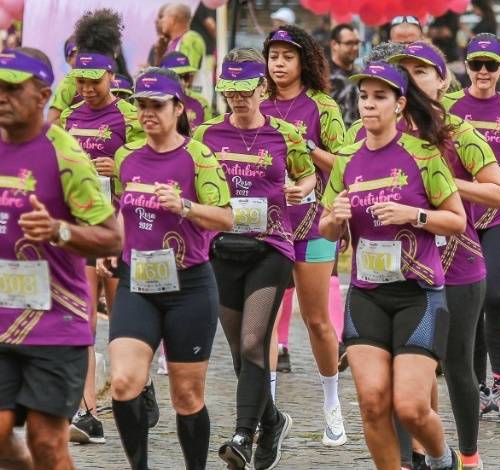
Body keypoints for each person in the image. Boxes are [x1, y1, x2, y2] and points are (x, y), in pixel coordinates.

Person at [0, 46, 121, 470]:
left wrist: (59, 230)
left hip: (57, 320)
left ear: (42, 95)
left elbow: (113, 237)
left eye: (12, 89)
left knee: (47, 441)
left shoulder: (65, 155)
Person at [320, 60, 467, 470]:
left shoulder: (422, 155)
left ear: (400, 105)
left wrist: (412, 215)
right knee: (371, 403)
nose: (368, 105)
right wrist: (335, 218)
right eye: (364, 97)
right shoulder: (347, 159)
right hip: (367, 294)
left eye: (380, 97)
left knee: (410, 408)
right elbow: (326, 229)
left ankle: (442, 460)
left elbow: (456, 220)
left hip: (418, 295)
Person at [389, 40, 500, 470]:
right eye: (404, 70)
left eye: (422, 70)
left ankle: (470, 457)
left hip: (458, 263)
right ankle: (409, 460)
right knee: (400, 366)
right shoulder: (379, 134)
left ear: (443, 82)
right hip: (398, 265)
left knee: (457, 363)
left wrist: (445, 185)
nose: (413, 77)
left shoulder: (461, 134)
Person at [103, 67, 232, 470]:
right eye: (141, 105)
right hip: (136, 283)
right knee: (124, 383)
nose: (147, 114)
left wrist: (186, 207)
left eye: (156, 105)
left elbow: (227, 218)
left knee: (187, 396)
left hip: (189, 287)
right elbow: (125, 210)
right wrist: (114, 242)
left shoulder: (198, 156)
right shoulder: (126, 157)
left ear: (178, 107)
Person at [193, 48, 316, 470]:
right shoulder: (206, 135)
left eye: (245, 91)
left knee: (252, 342)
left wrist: (302, 188)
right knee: (239, 350)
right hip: (224, 248)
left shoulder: (285, 133)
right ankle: (273, 420)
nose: (238, 100)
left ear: (262, 88)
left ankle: (243, 436)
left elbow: (307, 172)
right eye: (230, 92)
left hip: (271, 247)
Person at [60, 8, 148, 445]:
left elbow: (153, 167)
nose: (87, 89)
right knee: (81, 322)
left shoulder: (131, 118)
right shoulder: (69, 119)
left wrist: (117, 164)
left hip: (124, 230)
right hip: (81, 232)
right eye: (80, 81)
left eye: (94, 81)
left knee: (124, 321)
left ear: (111, 77)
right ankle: (85, 411)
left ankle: (138, 386)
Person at [260, 26, 348, 448]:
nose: (278, 63)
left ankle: (332, 403)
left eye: (287, 56)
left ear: (303, 61)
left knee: (316, 320)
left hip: (314, 226)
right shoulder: (255, 103)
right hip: (266, 228)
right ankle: (268, 411)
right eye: (273, 55)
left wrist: (306, 146)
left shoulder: (322, 106)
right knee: (263, 322)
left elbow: (345, 165)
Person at [442, 33, 500, 420]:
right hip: (460, 215)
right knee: (471, 301)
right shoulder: (448, 106)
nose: (482, 72)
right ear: (465, 66)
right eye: (476, 64)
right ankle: (477, 386)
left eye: (490, 65)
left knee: (494, 294)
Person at [159, 51, 211, 131]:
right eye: (177, 77)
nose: (183, 82)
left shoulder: (202, 102)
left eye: (186, 76)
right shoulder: (149, 102)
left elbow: (209, 135)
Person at [329, 23, 361, 127]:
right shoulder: (322, 75)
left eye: (357, 43)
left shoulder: (362, 75)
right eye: (349, 43)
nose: (355, 47)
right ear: (334, 44)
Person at [160, 3, 206, 71]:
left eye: (163, 16)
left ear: (172, 19)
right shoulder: (172, 43)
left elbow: (188, 74)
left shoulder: (191, 39)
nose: (162, 20)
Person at [46, 35, 80, 124]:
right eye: (76, 53)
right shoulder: (68, 84)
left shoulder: (107, 79)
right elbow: (51, 122)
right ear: (68, 59)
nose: (82, 58)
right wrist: (81, 120)